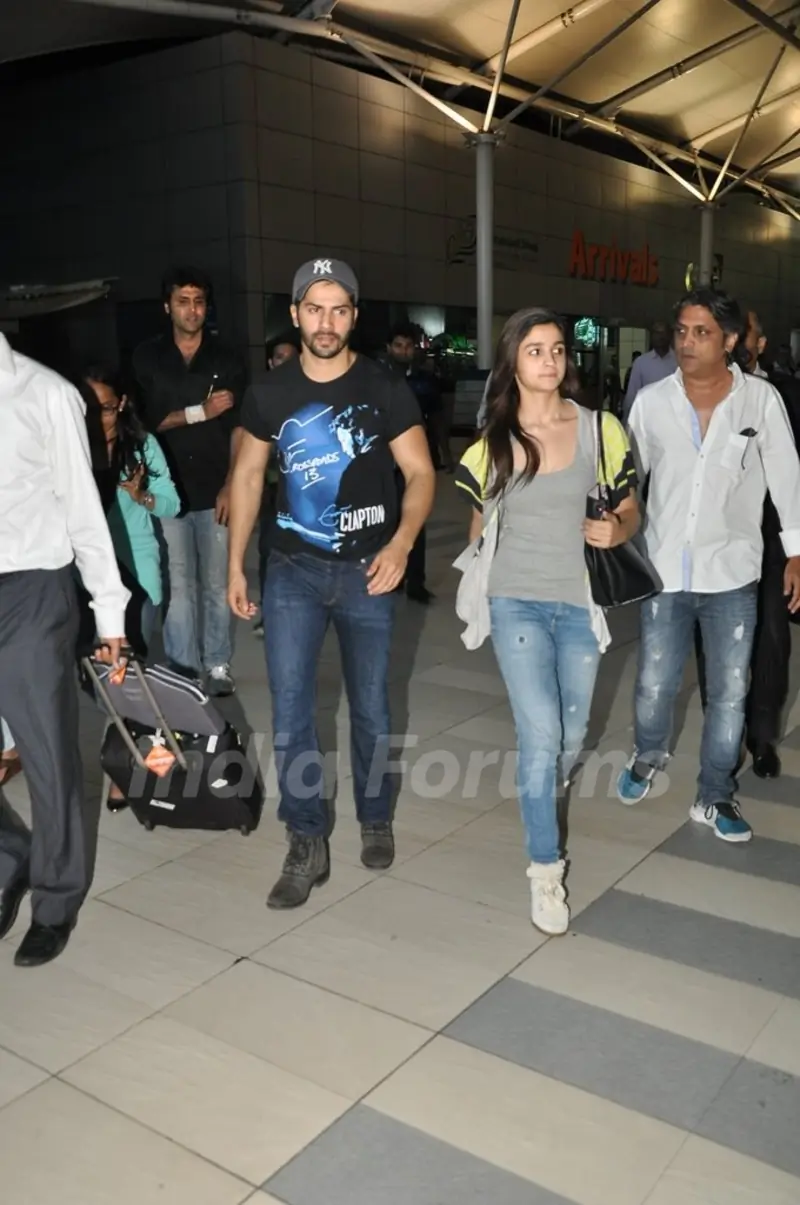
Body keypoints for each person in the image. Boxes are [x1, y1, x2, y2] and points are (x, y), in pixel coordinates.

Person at [228, 257, 435, 909]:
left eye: (338, 309)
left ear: (353, 314)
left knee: (371, 707)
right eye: (313, 308)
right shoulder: (270, 392)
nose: (326, 321)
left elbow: (422, 473)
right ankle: (305, 837)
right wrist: (235, 563)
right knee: (290, 712)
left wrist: (402, 543)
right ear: (294, 314)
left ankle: (375, 814)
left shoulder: (384, 385)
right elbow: (249, 477)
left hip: (369, 568)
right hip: (291, 568)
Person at [456, 308, 639, 935]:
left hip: (578, 600)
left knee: (569, 732)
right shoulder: (493, 440)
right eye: (535, 351)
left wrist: (617, 528)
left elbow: (631, 506)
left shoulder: (600, 429)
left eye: (558, 350)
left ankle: (539, 797)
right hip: (516, 600)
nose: (550, 361)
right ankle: (545, 869)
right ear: (514, 360)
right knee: (539, 736)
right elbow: (478, 523)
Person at [617, 289, 800, 843]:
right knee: (654, 683)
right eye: (682, 331)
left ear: (730, 341)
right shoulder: (651, 402)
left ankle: (714, 793)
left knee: (729, 690)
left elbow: (787, 476)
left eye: (701, 333)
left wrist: (796, 551)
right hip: (665, 567)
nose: (688, 342)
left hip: (733, 574)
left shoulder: (760, 401)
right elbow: (629, 478)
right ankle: (648, 754)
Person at [0, 332, 128, 967]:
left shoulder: (46, 394)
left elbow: (84, 508)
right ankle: (10, 858)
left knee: (47, 754)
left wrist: (110, 612)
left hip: (30, 589)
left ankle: (55, 899)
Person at [695, 311, 800, 779]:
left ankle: (762, 737)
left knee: (773, 642)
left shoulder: (783, 396)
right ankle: (726, 734)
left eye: (747, 334)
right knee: (713, 641)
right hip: (715, 542)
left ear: (754, 343)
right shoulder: (698, 392)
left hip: (773, 541)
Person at [132, 267, 246, 696]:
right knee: (179, 583)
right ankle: (182, 668)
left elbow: (240, 425)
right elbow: (146, 420)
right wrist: (199, 412)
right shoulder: (147, 357)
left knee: (217, 581)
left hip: (216, 484)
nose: (192, 309)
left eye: (198, 301)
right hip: (167, 489)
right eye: (183, 301)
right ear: (168, 306)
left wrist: (232, 482)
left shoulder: (227, 358)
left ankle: (217, 663)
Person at [80, 365, 181, 650]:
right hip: (84, 573)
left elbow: (172, 505)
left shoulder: (142, 446)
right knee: (91, 673)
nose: (99, 419)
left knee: (131, 667)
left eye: (108, 408)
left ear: (122, 403)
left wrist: (143, 497)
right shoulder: (72, 446)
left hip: (136, 568)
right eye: (90, 409)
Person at [380, 325, 440, 603]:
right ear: (389, 348)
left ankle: (416, 581)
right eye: (399, 345)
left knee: (416, 517)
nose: (403, 350)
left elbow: (436, 415)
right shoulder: (378, 379)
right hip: (384, 461)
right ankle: (390, 576)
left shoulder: (424, 380)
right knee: (385, 519)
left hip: (415, 459)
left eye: (408, 345)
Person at [254, 339, 298, 637]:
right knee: (269, 551)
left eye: (290, 357)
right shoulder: (262, 398)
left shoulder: (310, 393)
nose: (284, 362)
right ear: (270, 362)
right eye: (278, 357)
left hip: (305, 493)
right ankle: (270, 614)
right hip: (273, 491)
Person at [622, 321, 676, 423]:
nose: (660, 337)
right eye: (656, 333)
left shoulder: (680, 362)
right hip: (647, 422)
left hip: (674, 421)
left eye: (663, 333)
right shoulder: (641, 363)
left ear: (670, 335)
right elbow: (631, 396)